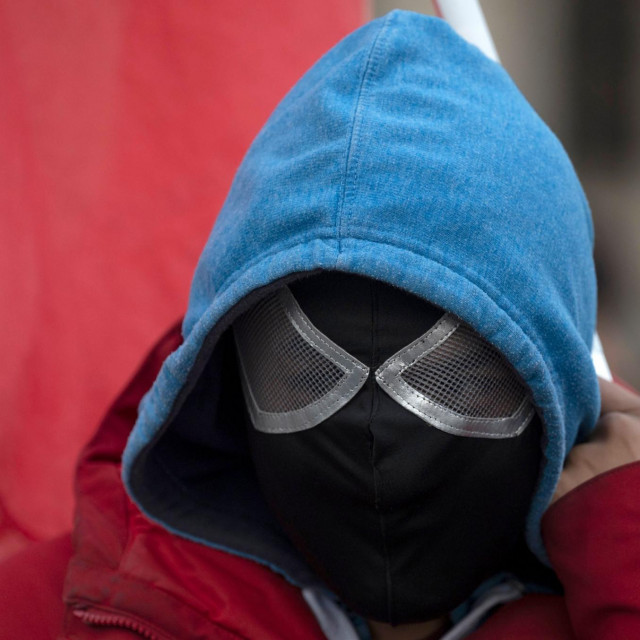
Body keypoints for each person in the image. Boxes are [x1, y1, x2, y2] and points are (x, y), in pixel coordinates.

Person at [2, 10, 640, 640]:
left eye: (451, 377)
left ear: (553, 388)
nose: (374, 441)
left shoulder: (615, 587)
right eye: (306, 371)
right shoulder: (37, 615)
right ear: (224, 375)